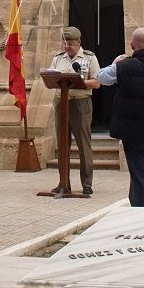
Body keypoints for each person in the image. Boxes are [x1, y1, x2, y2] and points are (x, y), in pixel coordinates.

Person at [96, 28, 144, 207]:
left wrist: (115, 62)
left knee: (138, 170)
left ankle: (140, 206)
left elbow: (100, 77)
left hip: (132, 130)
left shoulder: (123, 67)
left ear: (132, 46)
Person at [47, 27, 100, 195]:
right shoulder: (58, 58)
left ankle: (87, 183)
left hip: (80, 103)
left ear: (78, 43)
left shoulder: (89, 58)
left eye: (70, 43)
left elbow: (98, 82)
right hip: (61, 103)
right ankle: (64, 182)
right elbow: (51, 77)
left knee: (84, 144)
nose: (67, 46)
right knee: (62, 144)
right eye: (65, 43)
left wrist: (81, 82)